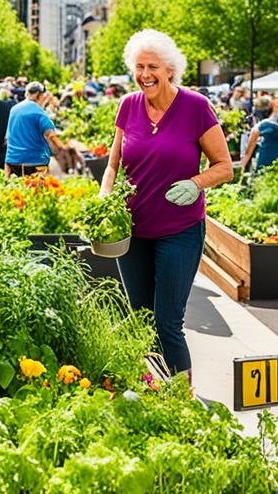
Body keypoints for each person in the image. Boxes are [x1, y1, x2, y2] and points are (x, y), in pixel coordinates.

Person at [100, 29, 233, 378]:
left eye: (153, 67)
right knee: (141, 318)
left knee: (167, 323)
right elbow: (113, 164)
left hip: (180, 230)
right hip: (134, 232)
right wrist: (104, 198)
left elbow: (225, 167)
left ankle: (183, 403)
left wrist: (196, 182)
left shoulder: (195, 107)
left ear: (170, 70)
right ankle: (154, 391)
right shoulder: (128, 106)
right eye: (139, 67)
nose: (145, 75)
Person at [4, 81, 68, 177]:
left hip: (13, 162)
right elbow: (50, 135)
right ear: (39, 95)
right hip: (35, 163)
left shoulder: (14, 109)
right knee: (38, 189)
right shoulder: (38, 112)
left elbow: (8, 137)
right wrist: (64, 148)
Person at [239, 96, 278, 174]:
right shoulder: (270, 126)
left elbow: (247, 154)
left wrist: (240, 169)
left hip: (260, 169)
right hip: (274, 169)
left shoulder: (256, 128)